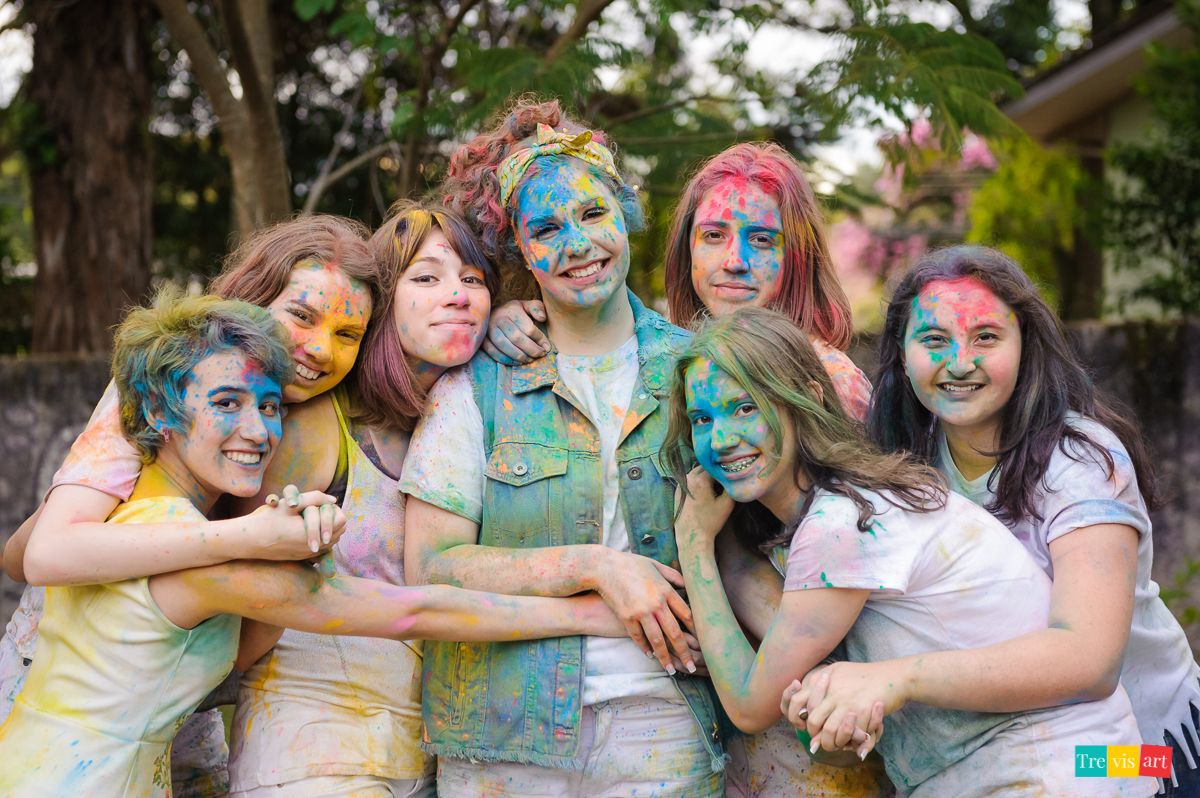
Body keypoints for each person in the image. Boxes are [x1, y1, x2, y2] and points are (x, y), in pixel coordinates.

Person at [0, 291, 626, 798]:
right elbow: (414, 610)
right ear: (160, 411)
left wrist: (302, 552)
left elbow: (239, 647)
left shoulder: (110, 508)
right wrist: (591, 614)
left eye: (271, 406)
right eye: (226, 402)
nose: (258, 431)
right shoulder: (201, 555)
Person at [478, 140, 885, 797]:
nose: (734, 261)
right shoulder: (696, 364)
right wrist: (511, 311)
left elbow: (845, 578)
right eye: (713, 235)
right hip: (733, 720)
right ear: (685, 249)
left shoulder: (824, 378)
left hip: (817, 712)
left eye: (762, 239)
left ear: (799, 255)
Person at [663, 306, 1156, 797]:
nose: (720, 439)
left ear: (807, 399)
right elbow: (851, 736)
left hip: (1066, 766)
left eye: (746, 408)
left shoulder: (840, 525)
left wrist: (695, 543)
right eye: (701, 419)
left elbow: (749, 706)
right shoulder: (846, 506)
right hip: (1061, 764)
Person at [789, 245, 1200, 796]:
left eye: (985, 336)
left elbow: (1089, 660)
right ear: (902, 354)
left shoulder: (1080, 463)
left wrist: (898, 678)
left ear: (1025, 346)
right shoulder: (899, 466)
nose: (960, 362)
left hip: (1143, 752)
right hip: (1006, 756)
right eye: (934, 340)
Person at [402, 98, 726, 797]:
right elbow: (430, 565)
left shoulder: (700, 370)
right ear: (520, 250)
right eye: (547, 228)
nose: (576, 243)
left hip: (663, 720)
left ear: (625, 216)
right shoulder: (475, 385)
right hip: (500, 730)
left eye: (592, 214)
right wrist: (595, 566)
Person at [0, 215, 379, 798]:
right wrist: (250, 538)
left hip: (179, 703)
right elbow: (34, 554)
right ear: (255, 300)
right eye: (302, 316)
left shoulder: (310, 419)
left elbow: (243, 637)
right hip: (55, 696)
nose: (320, 348)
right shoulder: (171, 384)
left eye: (348, 334)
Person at [224, 202, 499, 798]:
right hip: (310, 752)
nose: (457, 295)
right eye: (426, 278)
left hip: (429, 755)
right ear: (381, 305)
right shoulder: (315, 424)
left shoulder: (469, 419)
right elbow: (242, 615)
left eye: (473, 280)